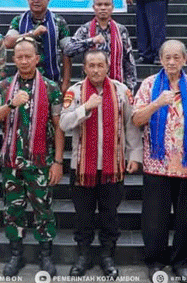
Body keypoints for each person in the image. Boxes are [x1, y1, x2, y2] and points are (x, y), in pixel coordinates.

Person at [0, 36, 65, 277]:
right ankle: (16, 255)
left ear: (37, 59)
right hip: (11, 162)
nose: (23, 60)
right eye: (19, 57)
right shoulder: (3, 87)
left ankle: (46, 256)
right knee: (13, 210)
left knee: (44, 210)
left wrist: (59, 162)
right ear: (13, 59)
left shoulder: (51, 88)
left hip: (41, 162)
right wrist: (11, 104)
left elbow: (59, 127)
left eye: (28, 56)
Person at [60, 50, 141, 278]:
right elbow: (64, 123)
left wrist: (135, 154)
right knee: (83, 216)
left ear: (107, 67)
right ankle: (83, 256)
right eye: (91, 66)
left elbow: (131, 125)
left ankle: (107, 256)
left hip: (113, 166)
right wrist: (85, 107)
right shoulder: (74, 92)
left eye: (100, 65)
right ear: (84, 69)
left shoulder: (121, 91)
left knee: (110, 216)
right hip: (82, 167)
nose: (96, 70)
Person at [132, 40, 187, 281]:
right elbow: (136, 120)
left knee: (184, 217)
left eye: (176, 57)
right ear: (161, 59)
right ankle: (155, 261)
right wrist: (157, 103)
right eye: (167, 58)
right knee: (155, 217)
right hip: (157, 163)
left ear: (185, 59)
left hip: (185, 164)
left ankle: (180, 261)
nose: (172, 62)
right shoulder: (149, 84)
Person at [5, 0, 72, 93]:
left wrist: (66, 82)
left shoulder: (59, 22)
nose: (36, 1)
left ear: (48, 0)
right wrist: (32, 34)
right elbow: (8, 42)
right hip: (23, 82)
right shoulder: (18, 21)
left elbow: (68, 51)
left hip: (52, 82)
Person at [64, 0, 137, 91]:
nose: (103, 8)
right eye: (99, 5)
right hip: (89, 86)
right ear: (94, 7)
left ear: (112, 8)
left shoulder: (121, 30)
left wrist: (130, 88)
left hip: (115, 86)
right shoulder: (86, 29)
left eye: (107, 5)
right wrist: (91, 41)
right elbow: (68, 49)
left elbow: (129, 61)